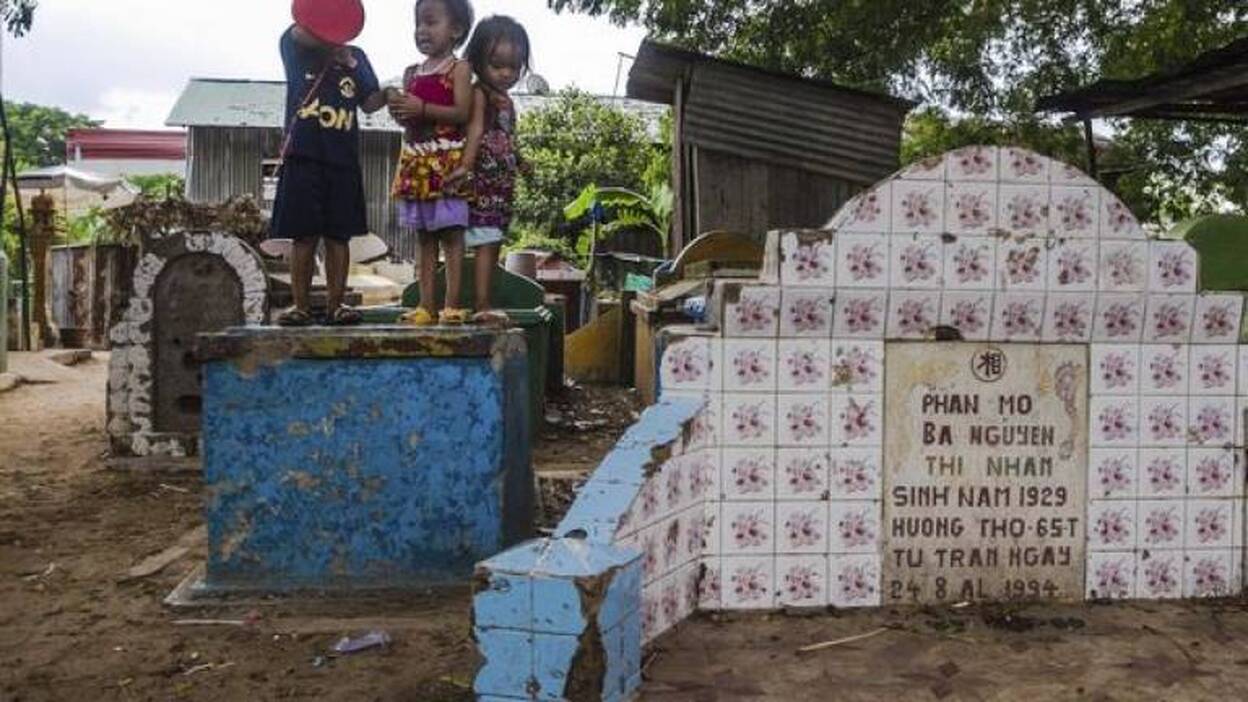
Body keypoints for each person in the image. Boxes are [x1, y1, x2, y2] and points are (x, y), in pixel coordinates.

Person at [273, 0, 387, 327]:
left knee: (339, 237)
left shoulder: (357, 56)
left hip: (342, 162)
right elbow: (300, 31)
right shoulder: (294, 46)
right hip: (303, 158)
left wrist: (384, 89)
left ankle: (337, 307)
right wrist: (328, 36)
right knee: (303, 236)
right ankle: (300, 307)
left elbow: (370, 102)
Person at [389, 0, 476, 326]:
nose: (422, 30)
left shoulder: (459, 69)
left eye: (430, 22)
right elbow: (408, 118)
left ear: (456, 29)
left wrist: (422, 109)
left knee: (452, 235)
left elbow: (462, 113)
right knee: (424, 237)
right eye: (418, 23)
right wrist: (399, 111)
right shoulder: (411, 73)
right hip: (416, 163)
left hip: (446, 166)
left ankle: (451, 306)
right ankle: (426, 306)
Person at [452, 15, 531, 326]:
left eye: (514, 66)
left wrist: (521, 161)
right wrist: (465, 167)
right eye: (497, 65)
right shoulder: (479, 94)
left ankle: (482, 301)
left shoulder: (507, 102)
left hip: (501, 186)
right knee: (481, 242)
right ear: (477, 60)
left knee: (493, 241)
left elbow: (509, 138)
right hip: (480, 184)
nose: (506, 73)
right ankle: (479, 303)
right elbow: (474, 131)